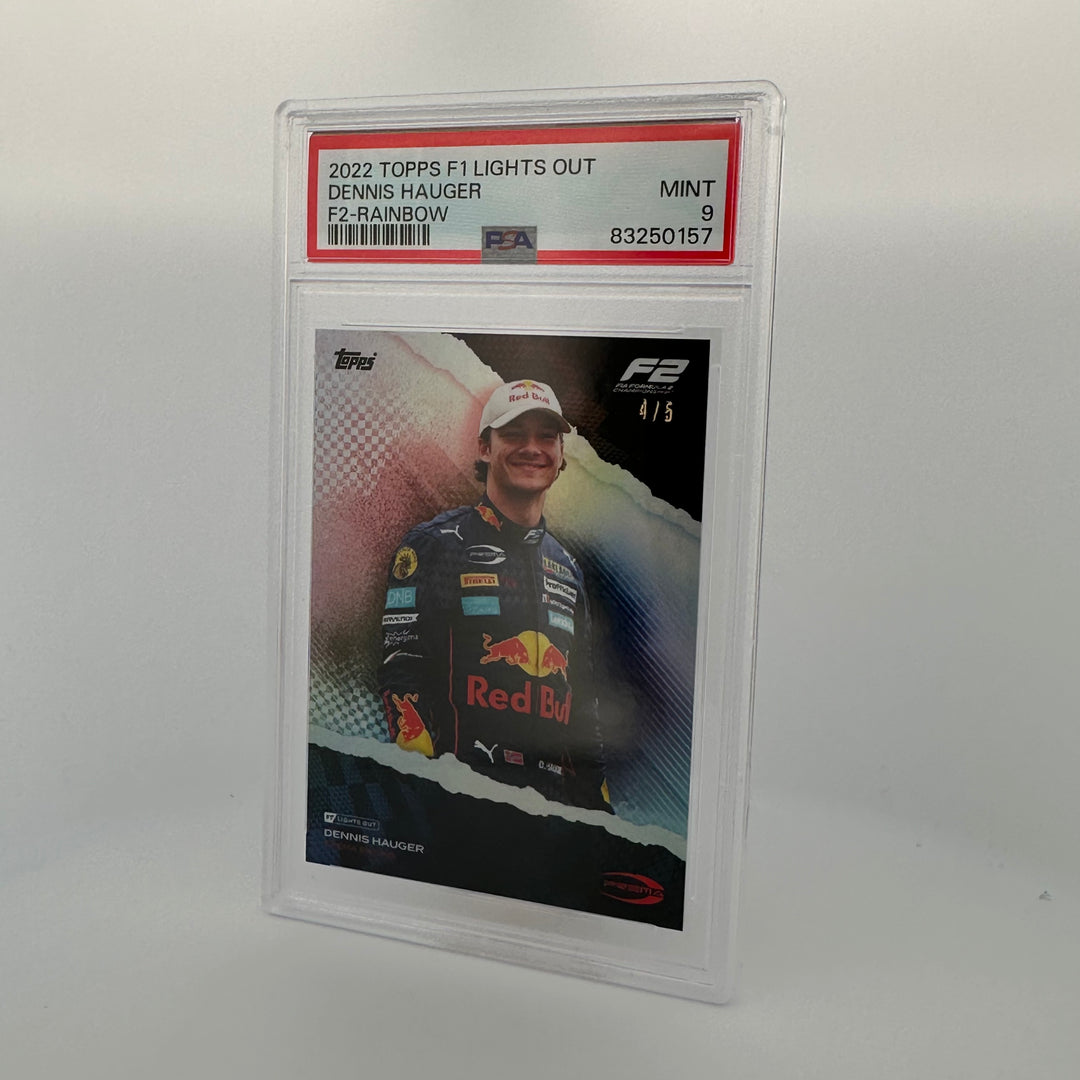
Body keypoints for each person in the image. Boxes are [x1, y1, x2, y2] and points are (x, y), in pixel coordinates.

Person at [378, 378, 612, 813]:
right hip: (460, 803)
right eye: (514, 434)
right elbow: (402, 672)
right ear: (485, 448)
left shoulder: (568, 567)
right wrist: (423, 786)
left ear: (561, 455)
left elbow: (583, 705)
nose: (532, 448)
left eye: (547, 437)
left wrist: (599, 814)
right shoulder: (435, 546)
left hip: (553, 818)